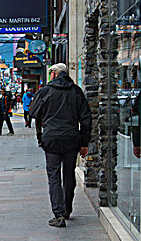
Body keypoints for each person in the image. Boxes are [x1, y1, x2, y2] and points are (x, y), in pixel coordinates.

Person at [29, 63, 92, 228]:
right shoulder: (76, 91)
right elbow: (86, 119)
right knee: (69, 174)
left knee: (54, 175)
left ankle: (58, 213)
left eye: (51, 73)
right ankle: (67, 209)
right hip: (72, 139)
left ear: (55, 74)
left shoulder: (45, 91)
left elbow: (33, 113)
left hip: (51, 139)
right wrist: (84, 142)